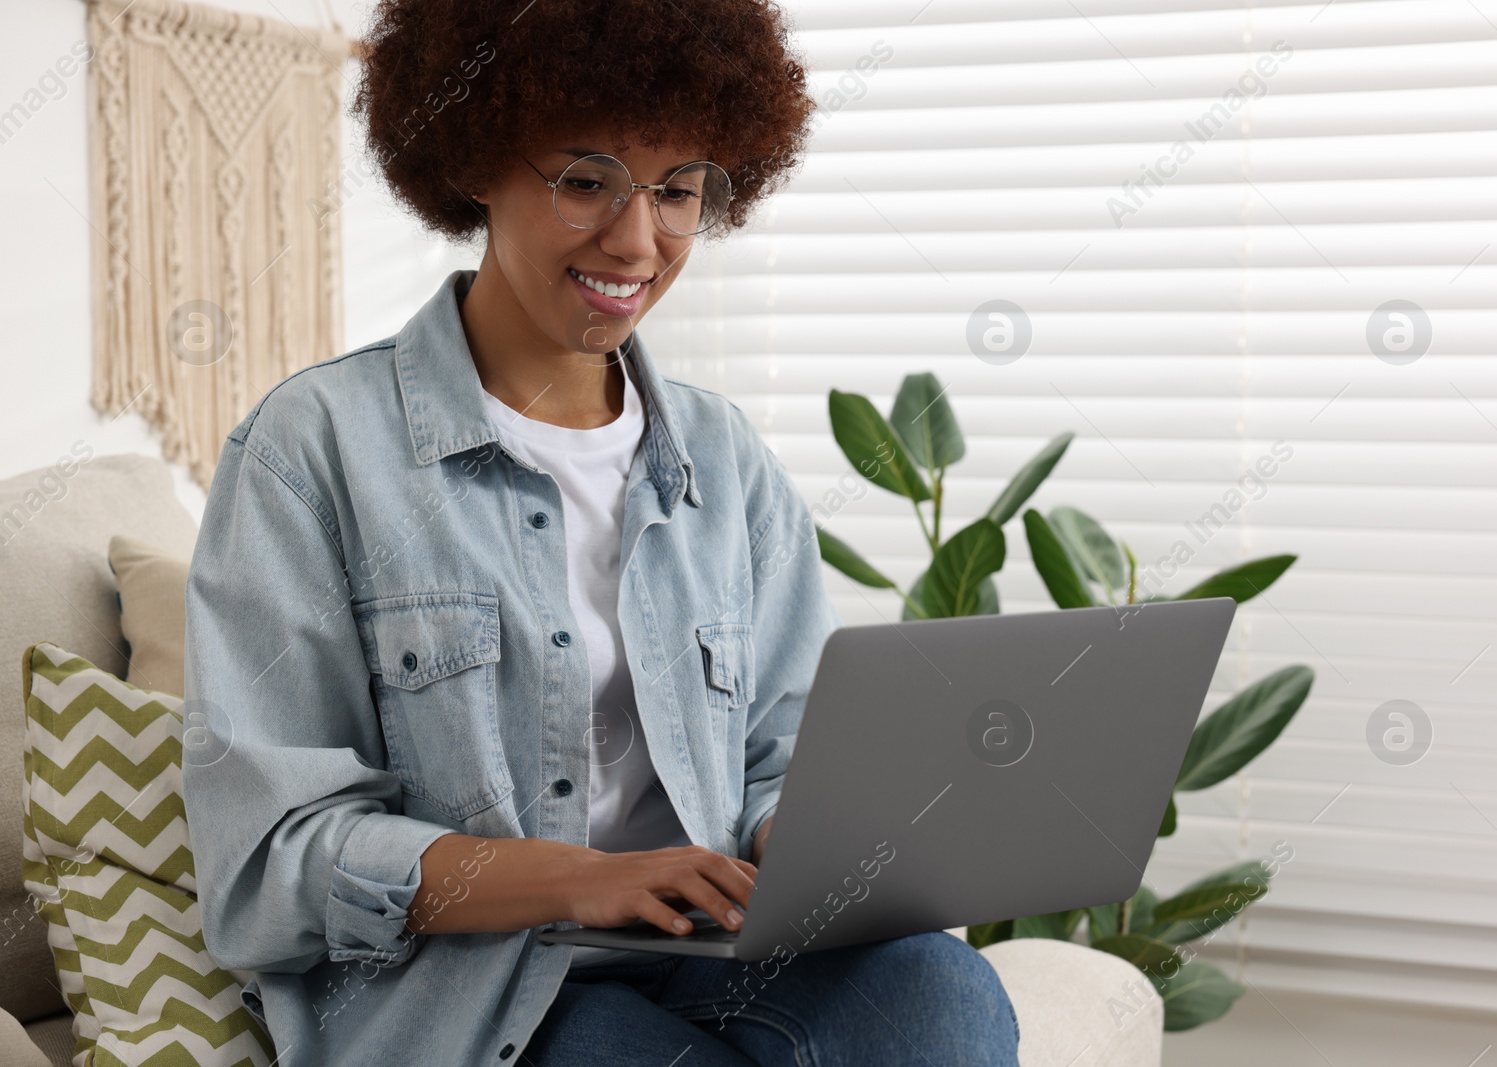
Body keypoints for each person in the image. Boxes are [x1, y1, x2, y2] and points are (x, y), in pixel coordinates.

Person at [182, 1, 1021, 1063]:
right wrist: (587, 878)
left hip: (714, 947)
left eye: (676, 190)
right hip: (478, 988)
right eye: (585, 180)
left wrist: (802, 841)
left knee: (940, 990)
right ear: (475, 162)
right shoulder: (313, 452)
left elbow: (778, 754)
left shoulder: (721, 460)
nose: (636, 242)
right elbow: (270, 858)